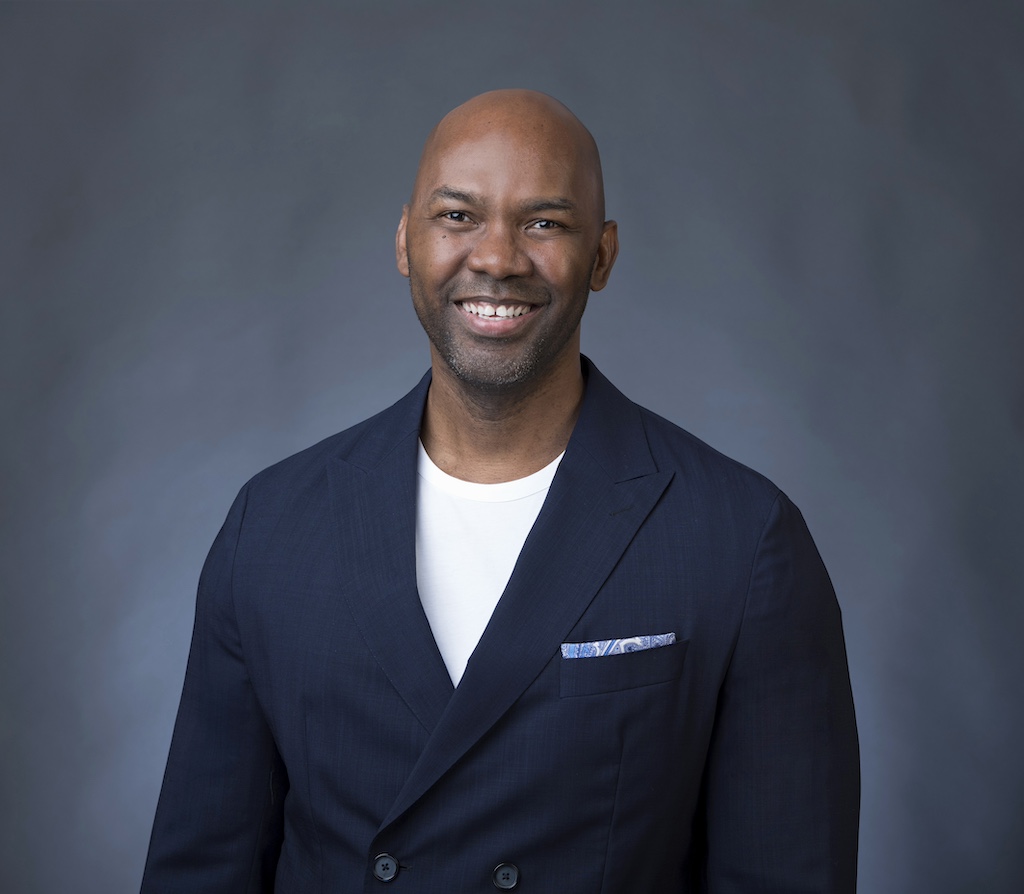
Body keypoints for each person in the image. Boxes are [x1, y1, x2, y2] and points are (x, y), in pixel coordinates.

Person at [142, 89, 859, 892]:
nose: (496, 258)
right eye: (457, 216)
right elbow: (199, 871)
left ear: (603, 256)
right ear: (405, 240)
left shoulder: (740, 537)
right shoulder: (272, 525)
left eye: (543, 223)